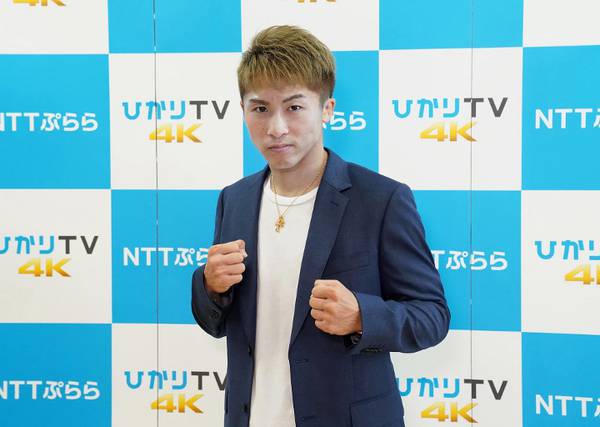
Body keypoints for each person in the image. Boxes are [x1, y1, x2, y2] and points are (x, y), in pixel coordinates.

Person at [191, 25, 450, 427]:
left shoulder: (381, 199)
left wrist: (362, 316)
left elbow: (432, 316)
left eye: (294, 107)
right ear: (242, 111)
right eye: (260, 109)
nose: (276, 127)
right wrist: (210, 286)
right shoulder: (234, 199)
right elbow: (216, 323)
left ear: (326, 109)